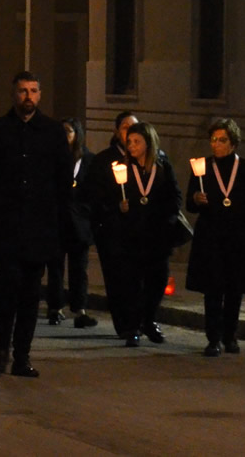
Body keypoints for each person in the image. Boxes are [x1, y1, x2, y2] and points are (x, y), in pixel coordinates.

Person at [0, 71, 73, 378]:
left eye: (33, 91)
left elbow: (63, 180)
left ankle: (22, 355)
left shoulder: (52, 132)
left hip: (40, 228)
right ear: (14, 94)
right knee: (7, 291)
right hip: (7, 226)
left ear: (39, 95)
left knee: (30, 294)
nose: (28, 96)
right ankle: (1, 349)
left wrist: (58, 220)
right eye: (23, 91)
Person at [186, 118, 245, 357]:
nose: (216, 144)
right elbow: (189, 203)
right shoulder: (202, 167)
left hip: (236, 238)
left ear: (233, 143)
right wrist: (196, 199)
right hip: (210, 237)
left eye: (222, 140)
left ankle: (230, 335)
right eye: (213, 140)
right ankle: (213, 339)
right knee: (212, 290)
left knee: (234, 290)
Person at [108, 121, 180, 347]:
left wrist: (165, 218)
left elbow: (175, 198)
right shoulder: (124, 169)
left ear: (148, 143)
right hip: (132, 236)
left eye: (136, 142)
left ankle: (149, 320)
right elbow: (113, 198)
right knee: (132, 283)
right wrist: (120, 206)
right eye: (129, 142)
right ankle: (133, 327)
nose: (131, 146)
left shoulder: (162, 167)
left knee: (157, 282)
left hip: (157, 236)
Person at [84, 111, 137, 338]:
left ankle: (138, 320)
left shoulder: (145, 158)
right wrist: (114, 206)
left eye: (135, 127)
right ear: (116, 132)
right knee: (116, 278)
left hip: (138, 230)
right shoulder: (103, 160)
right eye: (125, 127)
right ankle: (124, 324)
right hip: (112, 230)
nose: (131, 132)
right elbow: (92, 195)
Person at [47, 117, 98, 329]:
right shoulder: (54, 158)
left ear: (77, 134)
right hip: (57, 220)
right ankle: (55, 308)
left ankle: (80, 309)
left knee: (79, 269)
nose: (64, 136)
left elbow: (93, 192)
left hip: (79, 223)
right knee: (55, 267)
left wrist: (86, 215)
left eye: (68, 131)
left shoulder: (88, 160)